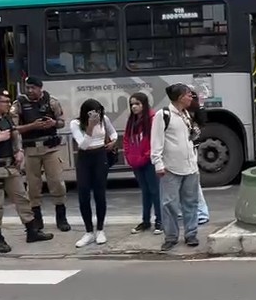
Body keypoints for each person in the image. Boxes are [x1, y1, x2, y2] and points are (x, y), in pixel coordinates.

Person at [0, 88, 54, 253]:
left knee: (22, 198)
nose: (9, 104)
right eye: (5, 102)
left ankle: (32, 231)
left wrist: (19, 151)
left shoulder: (6, 118)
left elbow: (16, 135)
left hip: (11, 167)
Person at [10, 77, 70, 232]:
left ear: (40, 88)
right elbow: (14, 128)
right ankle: (37, 219)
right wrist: (32, 126)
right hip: (31, 151)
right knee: (33, 187)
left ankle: (61, 217)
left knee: (57, 182)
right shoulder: (19, 105)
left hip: (51, 149)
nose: (29, 90)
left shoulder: (52, 102)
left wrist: (54, 124)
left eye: (33, 88)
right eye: (27, 87)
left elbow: (62, 122)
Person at [151, 83, 201, 251]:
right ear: (180, 98)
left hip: (191, 166)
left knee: (191, 202)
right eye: (188, 95)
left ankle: (191, 234)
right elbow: (156, 141)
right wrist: (158, 163)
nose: (191, 97)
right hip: (171, 167)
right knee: (169, 204)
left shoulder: (186, 114)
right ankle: (171, 237)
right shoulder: (163, 115)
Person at [70, 99, 118, 248]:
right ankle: (88, 231)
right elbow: (82, 145)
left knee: (100, 194)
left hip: (100, 155)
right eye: (92, 112)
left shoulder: (104, 119)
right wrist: (90, 127)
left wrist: (113, 141)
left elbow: (113, 132)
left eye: (98, 111)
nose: (96, 115)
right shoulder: (75, 124)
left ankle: (100, 230)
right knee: (83, 194)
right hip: (85, 158)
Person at [123, 93, 162, 235]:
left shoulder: (153, 119)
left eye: (137, 104)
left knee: (155, 191)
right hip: (136, 163)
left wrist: (145, 156)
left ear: (144, 104)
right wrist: (129, 156)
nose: (134, 107)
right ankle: (146, 221)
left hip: (149, 161)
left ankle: (160, 221)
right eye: (132, 104)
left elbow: (155, 141)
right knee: (145, 192)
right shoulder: (131, 121)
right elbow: (126, 140)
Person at [188, 88, 210, 225]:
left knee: (194, 184)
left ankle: (202, 213)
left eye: (191, 96)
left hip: (191, 151)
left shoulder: (195, 112)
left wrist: (200, 104)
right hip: (185, 152)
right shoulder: (180, 112)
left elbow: (198, 129)